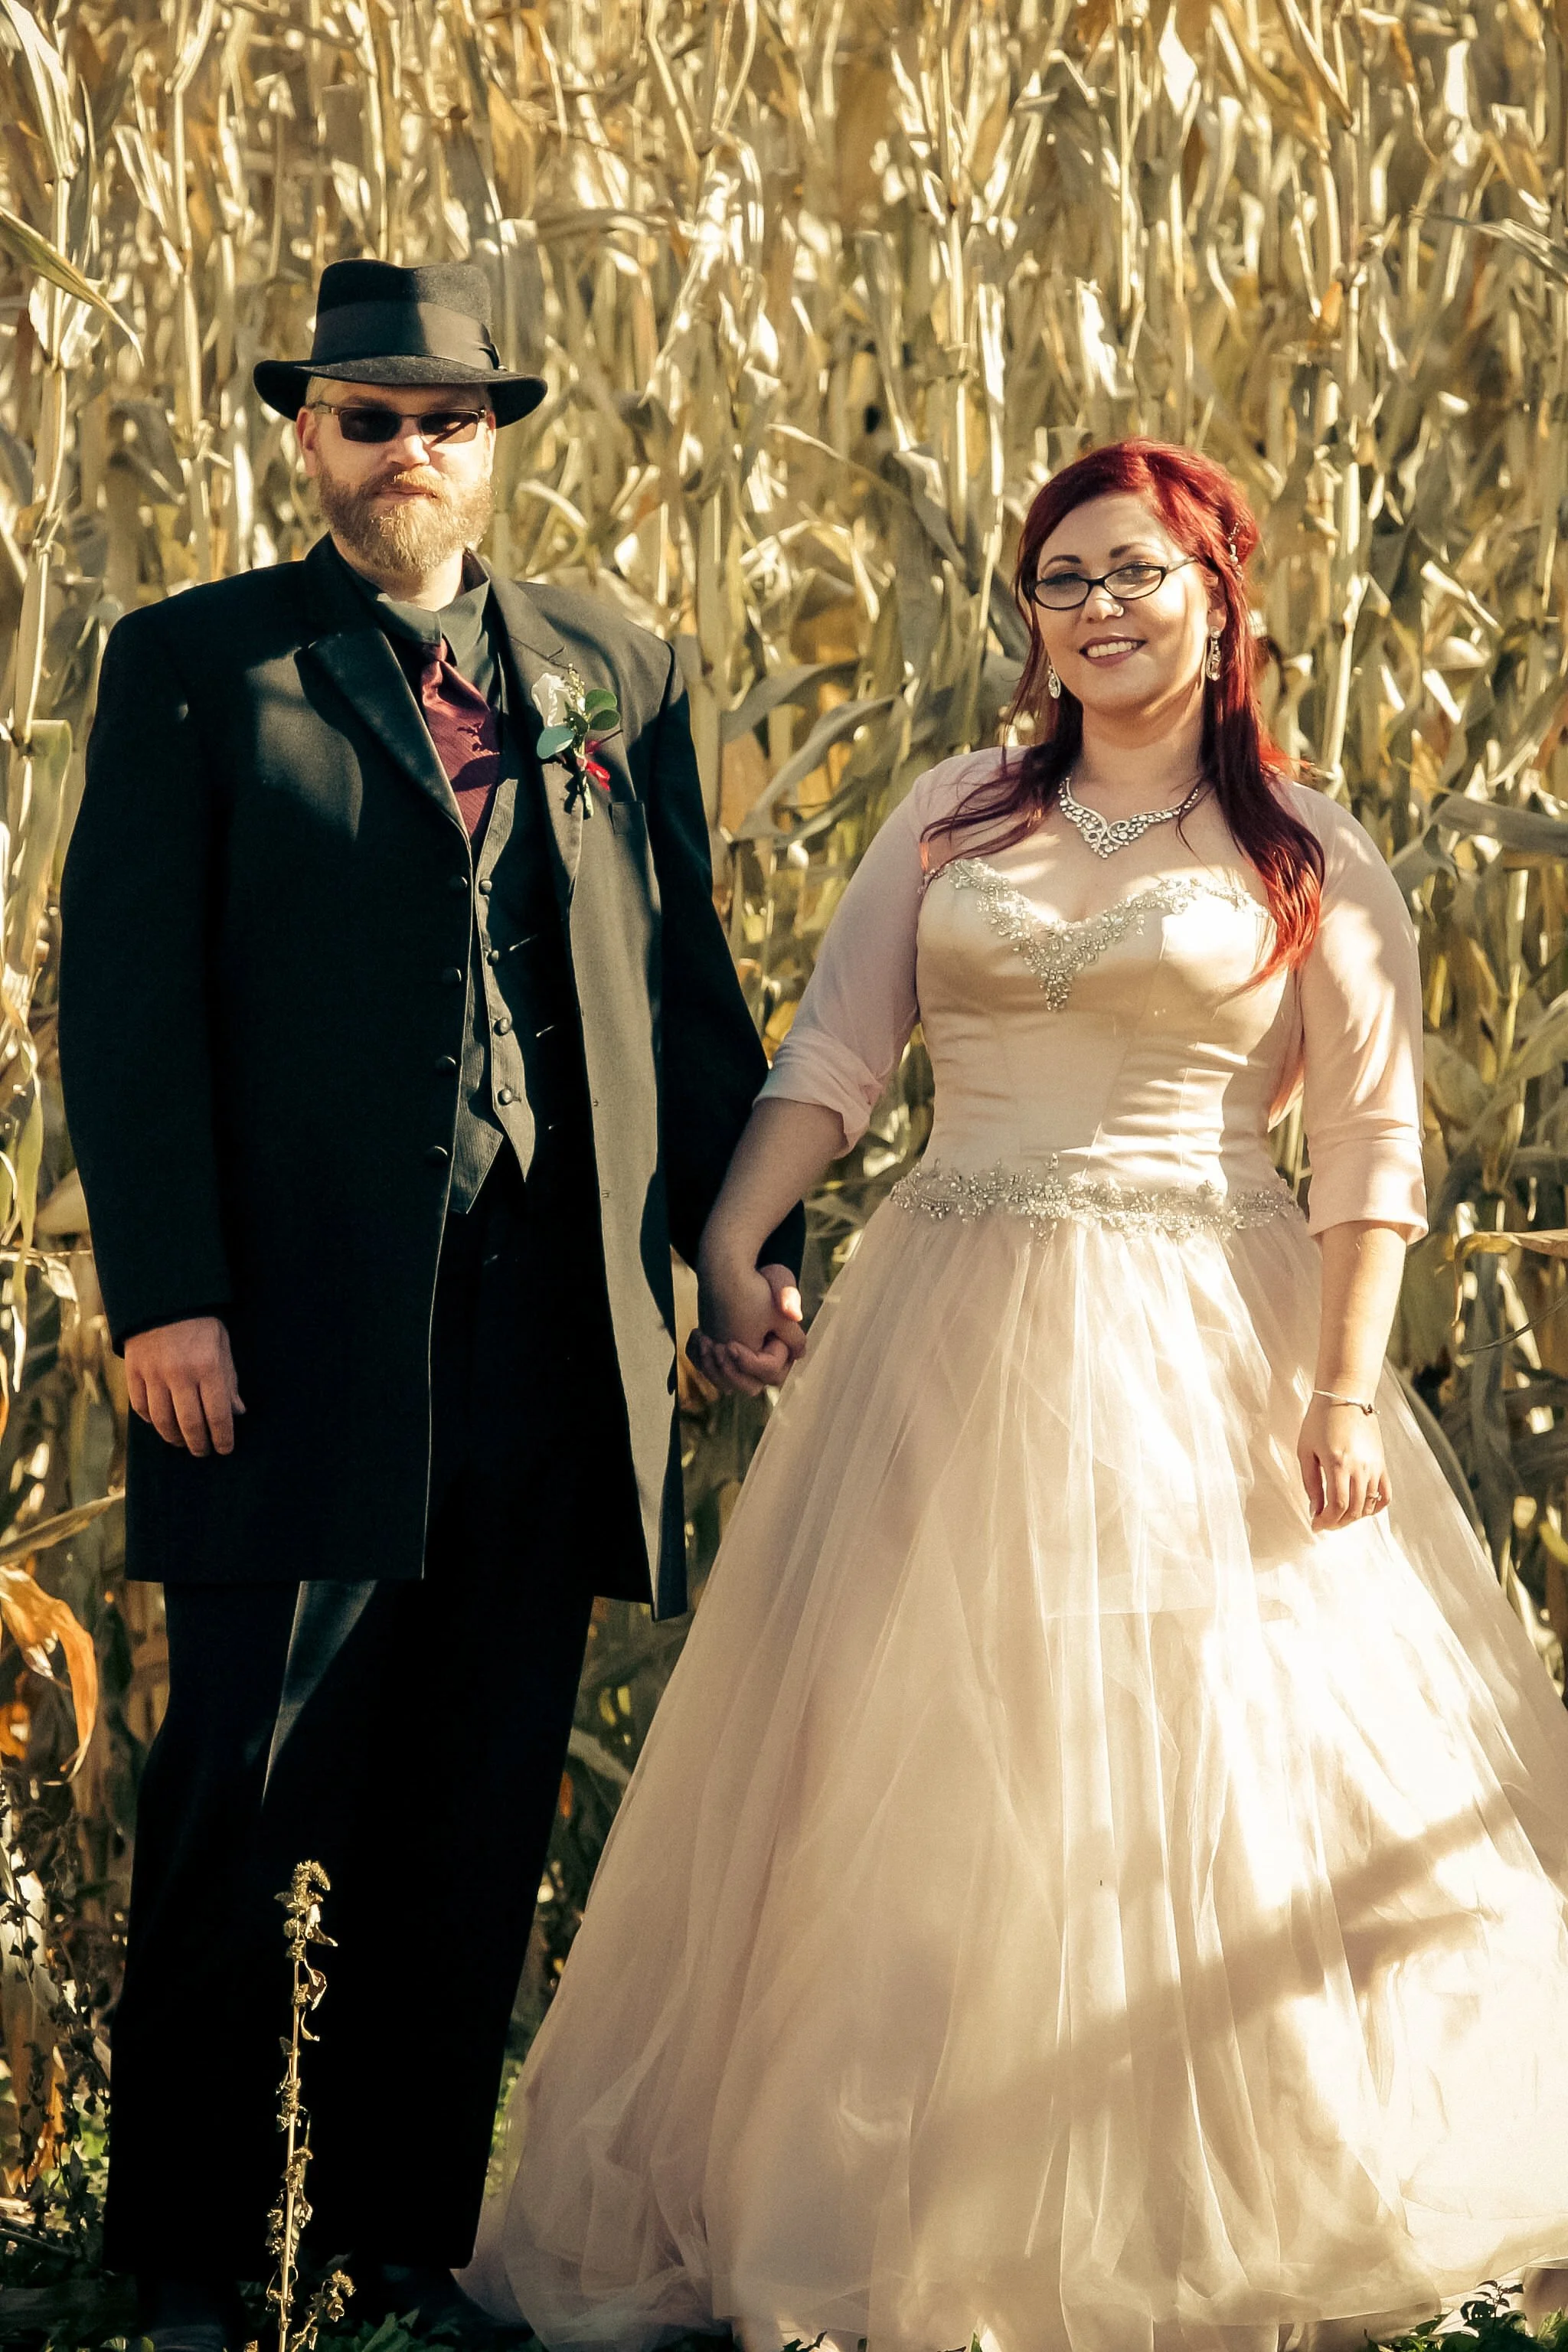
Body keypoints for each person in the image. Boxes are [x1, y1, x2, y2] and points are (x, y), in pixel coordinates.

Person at [462, 439, 1568, 2352]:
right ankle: (913, 2204)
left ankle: (1223, 2190)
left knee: (1208, 1755)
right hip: (951, 1316)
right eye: (1061, 580)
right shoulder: (952, 817)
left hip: (1204, 1332)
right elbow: (836, 1052)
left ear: (1218, 597)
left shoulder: (1303, 846)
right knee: (926, 1760)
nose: (1101, 609)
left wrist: (1340, 1394)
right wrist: (734, 1240)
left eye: (1137, 571)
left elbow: (1372, 1149)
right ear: (1029, 619)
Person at [56, 258, 804, 2352]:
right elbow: (120, 1011)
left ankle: (393, 2242)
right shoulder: (198, 669)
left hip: (553, 1332)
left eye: (447, 422)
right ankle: (193, 2260)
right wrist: (171, 1297)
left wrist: (739, 1250)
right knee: (252, 1786)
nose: (408, 454)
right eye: (368, 418)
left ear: (497, 445)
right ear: (309, 435)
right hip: (281, 1344)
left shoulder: (613, 670)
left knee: (477, 1793)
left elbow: (686, 978)